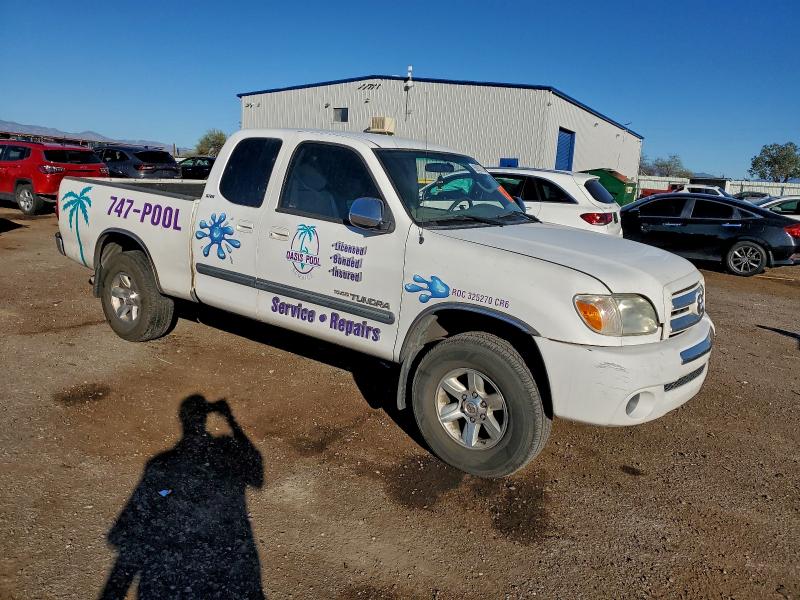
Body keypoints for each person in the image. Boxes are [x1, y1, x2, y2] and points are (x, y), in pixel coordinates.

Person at [100, 395, 265, 599]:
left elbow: (132, 527)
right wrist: (231, 420)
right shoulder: (226, 456)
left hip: (171, 581)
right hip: (224, 574)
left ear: (183, 420)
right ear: (206, 419)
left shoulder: (162, 465)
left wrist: (168, 494)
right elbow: (257, 475)